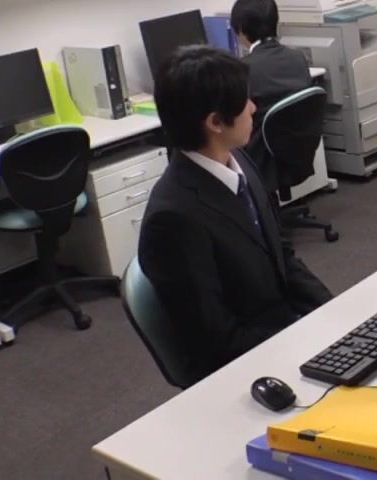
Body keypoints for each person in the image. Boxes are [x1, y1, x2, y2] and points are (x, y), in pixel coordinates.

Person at [138, 46, 332, 384]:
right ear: (215, 122)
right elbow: (215, 339)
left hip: (284, 330)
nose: (254, 107)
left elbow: (282, 255)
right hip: (245, 368)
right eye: (245, 101)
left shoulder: (239, 161)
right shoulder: (173, 219)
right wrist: (301, 339)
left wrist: (333, 313)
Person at [230, 0, 313, 190]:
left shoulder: (243, 70)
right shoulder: (297, 57)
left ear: (240, 30)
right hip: (294, 152)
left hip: (260, 157)